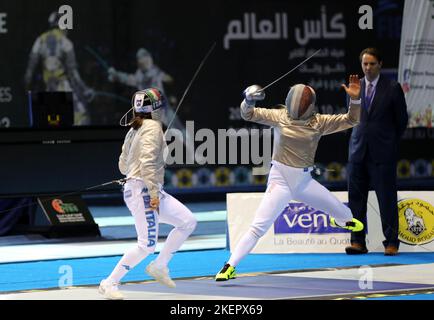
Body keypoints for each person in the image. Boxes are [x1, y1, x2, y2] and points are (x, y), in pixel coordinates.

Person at [215, 75, 364, 281]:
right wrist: (248, 100)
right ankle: (229, 266)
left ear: (310, 105)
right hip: (280, 181)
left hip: (304, 183)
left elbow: (352, 119)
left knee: (349, 218)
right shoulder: (280, 116)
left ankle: (340, 220)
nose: (299, 107)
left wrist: (355, 99)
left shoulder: (319, 122)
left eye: (303, 103)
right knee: (258, 227)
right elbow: (247, 114)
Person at [99, 88, 197, 299]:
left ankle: (160, 266)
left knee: (188, 221)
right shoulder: (152, 127)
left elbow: (123, 166)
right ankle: (109, 282)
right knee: (146, 245)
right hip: (144, 191)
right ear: (154, 107)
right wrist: (152, 193)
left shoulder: (133, 129)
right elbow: (147, 163)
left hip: (145, 188)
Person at [345, 48, 408, 256]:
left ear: (380, 64)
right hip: (358, 152)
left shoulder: (392, 87)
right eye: (365, 64)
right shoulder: (355, 87)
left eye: (372, 64)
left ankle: (391, 242)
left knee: (387, 199)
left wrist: (387, 141)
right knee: (356, 200)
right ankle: (357, 242)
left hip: (383, 154)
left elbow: (401, 122)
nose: (368, 68)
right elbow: (351, 118)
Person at [24, 11, 94, 125]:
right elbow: (73, 73)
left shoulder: (40, 40)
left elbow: (29, 71)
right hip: (63, 89)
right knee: (82, 116)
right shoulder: (65, 42)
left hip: (48, 91)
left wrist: (27, 87)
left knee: (52, 121)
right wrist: (85, 89)